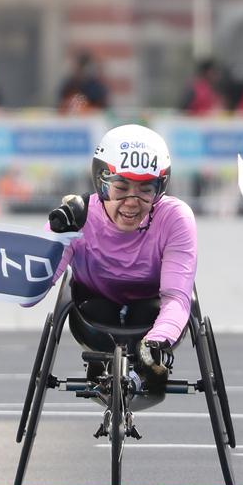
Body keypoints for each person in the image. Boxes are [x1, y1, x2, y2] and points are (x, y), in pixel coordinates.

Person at [44, 124, 196, 390]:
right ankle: (102, 363)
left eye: (145, 189)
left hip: (151, 312)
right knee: (98, 309)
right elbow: (34, 285)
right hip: (92, 312)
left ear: (160, 188)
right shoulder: (78, 214)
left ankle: (141, 372)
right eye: (121, 187)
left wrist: (158, 340)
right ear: (102, 184)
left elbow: (176, 297)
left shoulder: (175, 217)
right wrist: (58, 234)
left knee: (145, 312)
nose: (132, 201)